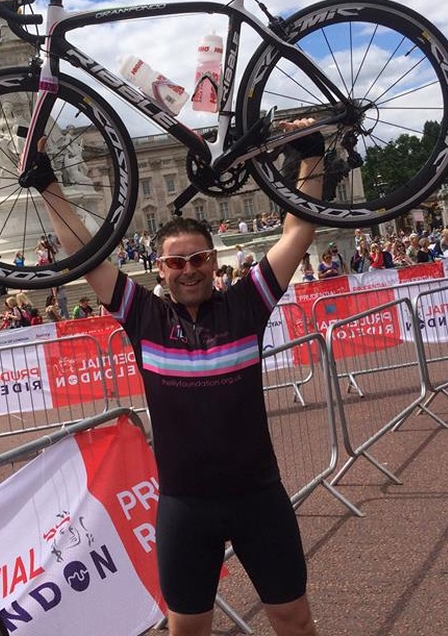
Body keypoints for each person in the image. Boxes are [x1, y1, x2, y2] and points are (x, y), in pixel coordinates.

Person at [34, 117, 322, 636]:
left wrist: (312, 155)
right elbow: (85, 251)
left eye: (198, 259)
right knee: (187, 629)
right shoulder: (143, 316)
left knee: (294, 620)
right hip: (185, 505)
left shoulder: (246, 304)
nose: (188, 269)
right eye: (176, 262)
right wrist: (48, 185)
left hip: (258, 496)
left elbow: (299, 229)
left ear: (213, 263)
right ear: (160, 269)